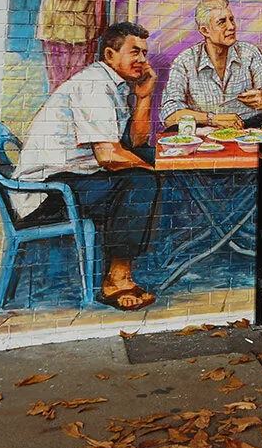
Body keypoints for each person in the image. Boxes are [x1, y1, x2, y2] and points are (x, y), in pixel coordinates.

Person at [14, 21, 162, 311]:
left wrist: (144, 97)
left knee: (146, 162)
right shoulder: (94, 86)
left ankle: (121, 269)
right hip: (45, 192)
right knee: (141, 182)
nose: (143, 60)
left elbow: (136, 141)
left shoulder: (116, 86)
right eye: (135, 52)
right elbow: (109, 156)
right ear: (109, 55)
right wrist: (156, 171)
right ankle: (116, 279)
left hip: (72, 177)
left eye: (144, 53)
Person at [159, 0, 262, 131]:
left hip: (247, 130)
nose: (231, 27)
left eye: (231, 19)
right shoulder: (186, 60)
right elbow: (169, 115)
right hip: (206, 133)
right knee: (173, 130)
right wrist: (213, 119)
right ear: (205, 31)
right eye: (222, 22)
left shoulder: (250, 53)